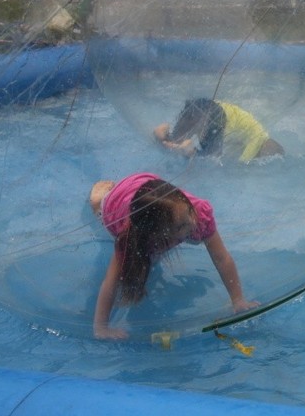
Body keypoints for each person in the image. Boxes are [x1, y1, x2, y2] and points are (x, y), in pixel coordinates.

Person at [89, 173, 258, 339]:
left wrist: (238, 300)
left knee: (181, 224)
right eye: (182, 225)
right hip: (116, 202)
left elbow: (221, 258)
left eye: (189, 213)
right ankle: (99, 194)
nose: (193, 222)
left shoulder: (196, 212)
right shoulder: (131, 237)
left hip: (148, 187)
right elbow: (110, 281)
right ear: (159, 234)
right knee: (99, 207)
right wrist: (101, 328)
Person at [154, 98, 284, 163]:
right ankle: (187, 149)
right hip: (216, 117)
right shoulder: (256, 141)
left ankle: (162, 132)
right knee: (207, 156)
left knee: (173, 138)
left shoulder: (253, 130)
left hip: (204, 105)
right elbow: (238, 165)